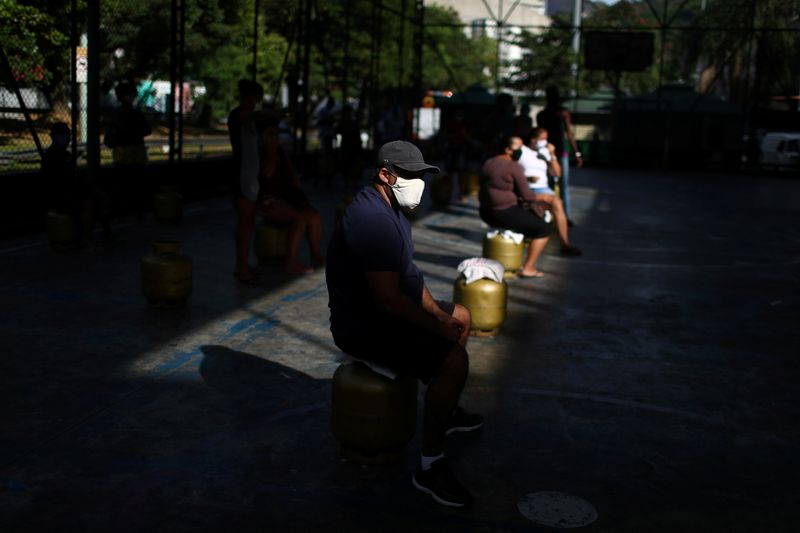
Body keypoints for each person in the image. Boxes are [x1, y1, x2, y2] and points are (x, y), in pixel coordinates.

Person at [326, 141, 483, 508]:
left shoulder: (392, 210)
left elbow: (410, 279)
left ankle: (447, 407)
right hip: (364, 325)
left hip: (387, 310)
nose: (419, 184)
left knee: (461, 315)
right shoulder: (372, 221)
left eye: (421, 176)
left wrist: (441, 316)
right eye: (411, 175)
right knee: (455, 361)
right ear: (385, 174)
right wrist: (435, 329)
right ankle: (430, 465)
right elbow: (388, 300)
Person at [257, 117, 325, 275]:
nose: (275, 138)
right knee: (300, 218)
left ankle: (316, 255)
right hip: (267, 200)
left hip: (286, 197)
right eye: (270, 135)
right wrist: (271, 150)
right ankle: (290, 261)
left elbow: (293, 179)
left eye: (276, 135)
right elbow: (266, 173)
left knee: (315, 217)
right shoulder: (260, 152)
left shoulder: (281, 152)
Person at [479, 135, 551, 278]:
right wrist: (542, 198)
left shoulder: (488, 162)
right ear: (507, 149)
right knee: (544, 229)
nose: (520, 150)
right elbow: (528, 196)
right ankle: (528, 268)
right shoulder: (512, 165)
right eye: (517, 147)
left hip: (485, 212)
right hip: (505, 213)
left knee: (528, 220)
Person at [516, 130, 582, 256]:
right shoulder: (523, 151)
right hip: (527, 188)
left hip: (543, 188)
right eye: (542, 138)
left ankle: (565, 242)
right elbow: (512, 171)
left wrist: (551, 155)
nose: (544, 142)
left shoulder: (545, 152)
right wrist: (527, 179)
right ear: (533, 139)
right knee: (555, 201)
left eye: (546, 139)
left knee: (557, 203)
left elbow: (557, 174)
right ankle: (564, 243)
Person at [228, 79, 265, 284]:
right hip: (241, 176)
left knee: (248, 222)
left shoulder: (251, 121)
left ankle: (241, 263)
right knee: (245, 222)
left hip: (250, 176)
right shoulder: (238, 116)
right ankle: (241, 266)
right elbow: (250, 116)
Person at [104, 81, 152, 217]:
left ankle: (122, 211)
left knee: (122, 184)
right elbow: (146, 130)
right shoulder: (135, 113)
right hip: (135, 154)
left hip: (123, 155)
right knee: (135, 185)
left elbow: (109, 137)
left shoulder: (117, 114)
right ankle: (135, 210)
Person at [536, 86, 583, 222]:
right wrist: (577, 153)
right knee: (557, 186)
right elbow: (569, 134)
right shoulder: (551, 114)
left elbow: (569, 133)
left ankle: (562, 217)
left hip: (558, 152)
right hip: (552, 152)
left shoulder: (559, 113)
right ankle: (556, 216)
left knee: (557, 186)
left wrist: (577, 153)